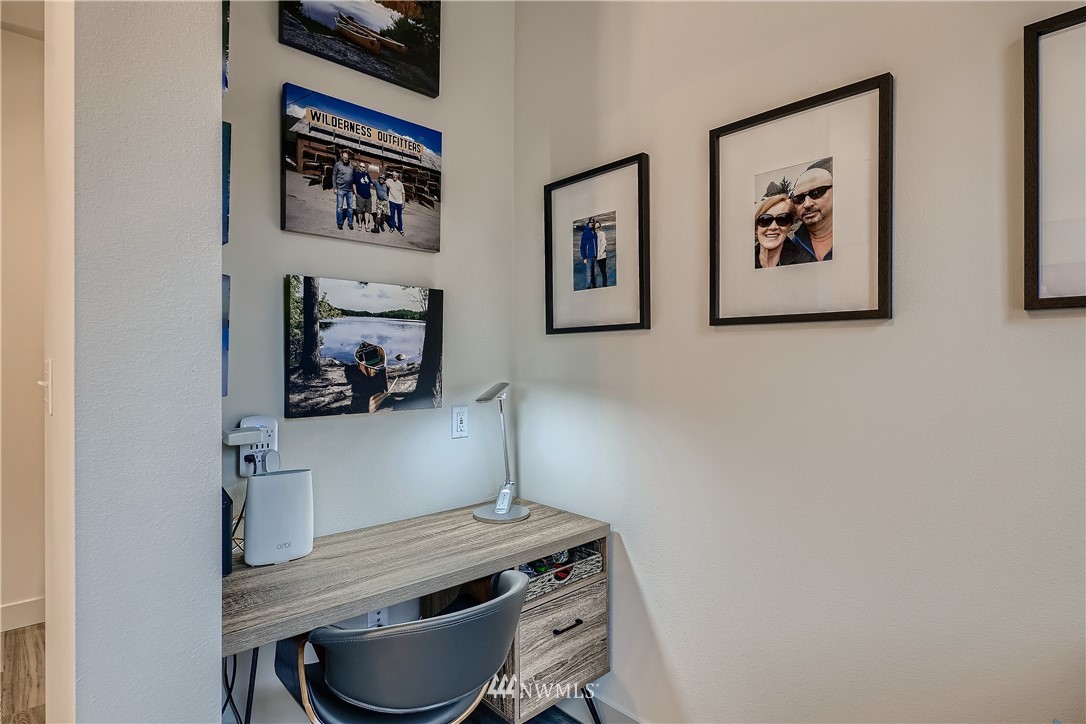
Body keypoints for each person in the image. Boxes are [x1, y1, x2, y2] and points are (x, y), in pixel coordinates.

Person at [754, 194, 815, 269]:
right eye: (765, 220)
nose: (773, 227)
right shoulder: (742, 261)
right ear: (756, 228)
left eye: (782, 219)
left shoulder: (806, 264)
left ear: (789, 226)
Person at [790, 162, 833, 261]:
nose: (807, 204)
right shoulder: (792, 247)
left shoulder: (855, 232)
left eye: (816, 193)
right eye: (799, 198)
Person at [332, 149, 355, 231]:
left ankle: (350, 223)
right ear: (342, 157)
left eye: (347, 158)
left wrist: (354, 188)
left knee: (350, 208)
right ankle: (340, 223)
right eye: (344, 157)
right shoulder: (337, 165)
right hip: (340, 189)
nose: (346, 159)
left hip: (349, 190)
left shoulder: (351, 165)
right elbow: (334, 176)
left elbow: (353, 176)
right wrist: (334, 188)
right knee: (339, 208)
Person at [352, 161, 373, 232]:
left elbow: (370, 183)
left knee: (368, 211)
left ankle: (366, 225)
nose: (362, 168)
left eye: (363, 167)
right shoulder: (356, 174)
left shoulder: (367, 174)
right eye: (361, 166)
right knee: (359, 211)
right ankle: (360, 224)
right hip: (360, 196)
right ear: (359, 167)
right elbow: (353, 184)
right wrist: (355, 193)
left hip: (368, 196)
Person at [579, 218, 599, 288]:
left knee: (595, 274)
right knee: (589, 275)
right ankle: (588, 288)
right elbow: (582, 246)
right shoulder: (585, 233)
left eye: (592, 223)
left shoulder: (594, 233)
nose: (591, 224)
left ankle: (594, 287)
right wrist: (584, 257)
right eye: (590, 223)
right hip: (588, 257)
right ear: (588, 223)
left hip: (595, 257)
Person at [386, 171, 406, 236]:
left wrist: (403, 203)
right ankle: (392, 227)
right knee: (392, 215)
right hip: (392, 201)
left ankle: (400, 229)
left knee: (399, 216)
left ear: (398, 176)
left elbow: (403, 193)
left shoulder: (400, 184)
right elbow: (384, 181)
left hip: (399, 202)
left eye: (396, 176)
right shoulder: (389, 181)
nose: (395, 177)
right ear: (392, 176)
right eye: (393, 175)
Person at [594, 220, 608, 287]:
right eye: (595, 228)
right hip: (594, 257)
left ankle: (605, 285)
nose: (596, 229)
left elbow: (604, 245)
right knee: (594, 273)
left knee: (603, 272)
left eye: (598, 227)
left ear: (600, 227)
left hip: (602, 257)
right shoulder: (593, 235)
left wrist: (599, 255)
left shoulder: (602, 234)